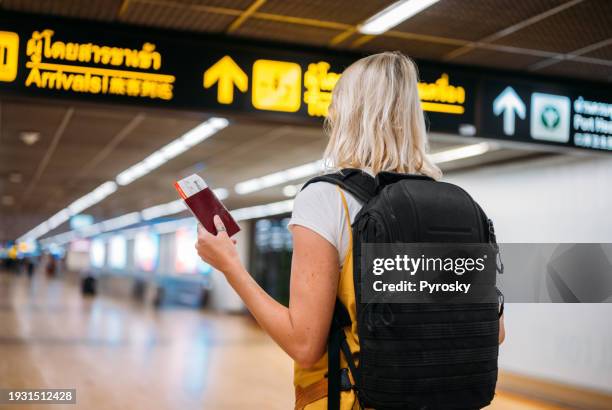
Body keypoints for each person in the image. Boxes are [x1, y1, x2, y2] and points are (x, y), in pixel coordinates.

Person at [195, 51, 505, 409]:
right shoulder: (453, 204)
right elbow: (493, 333)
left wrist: (231, 267)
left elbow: (304, 345)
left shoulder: (327, 198)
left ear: (348, 115)